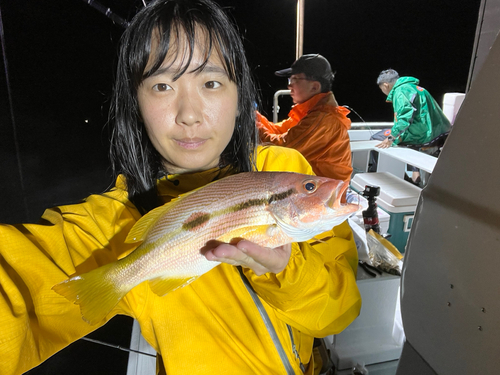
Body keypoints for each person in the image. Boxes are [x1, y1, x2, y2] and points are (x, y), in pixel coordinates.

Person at [0, 1, 361, 375]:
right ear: (135, 103)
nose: (189, 113)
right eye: (161, 85)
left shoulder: (283, 168)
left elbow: (339, 310)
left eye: (210, 82)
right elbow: (15, 288)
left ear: (239, 96)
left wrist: (287, 270)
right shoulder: (113, 223)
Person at [256, 54, 353, 185]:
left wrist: (254, 127)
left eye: (295, 79)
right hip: (310, 186)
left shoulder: (323, 120)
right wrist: (255, 117)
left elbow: (283, 148)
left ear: (314, 87)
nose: (289, 86)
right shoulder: (310, 113)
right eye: (290, 80)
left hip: (326, 196)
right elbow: (278, 131)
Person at [373, 69, 451, 185]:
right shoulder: (413, 88)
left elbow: (405, 118)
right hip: (438, 133)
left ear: (386, 85)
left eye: (382, 89)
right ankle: (415, 175)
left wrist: (390, 138)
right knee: (406, 137)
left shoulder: (400, 92)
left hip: (424, 135)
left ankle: (374, 175)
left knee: (376, 137)